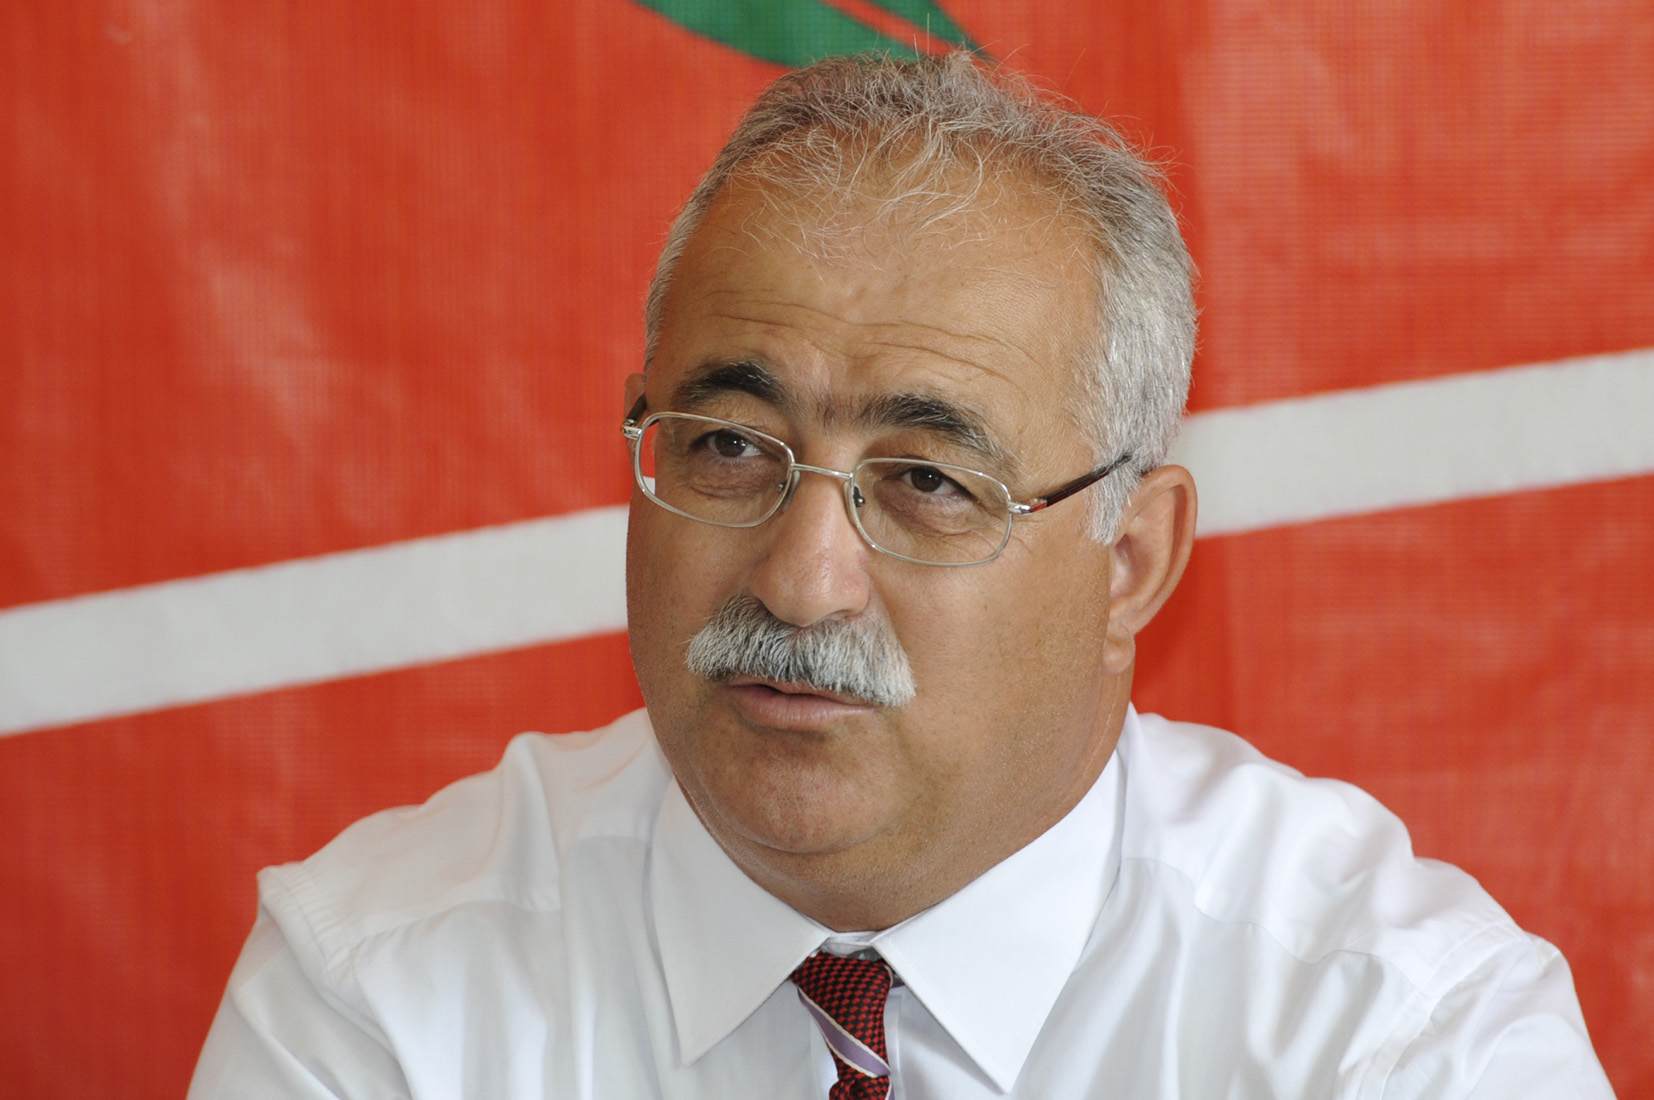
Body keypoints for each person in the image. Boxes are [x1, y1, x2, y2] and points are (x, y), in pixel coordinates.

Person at [190, 53, 1613, 1099]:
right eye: (730, 448)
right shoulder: (383, 995)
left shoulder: (1395, 1040)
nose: (802, 583)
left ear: (1129, 560)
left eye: (928, 483)